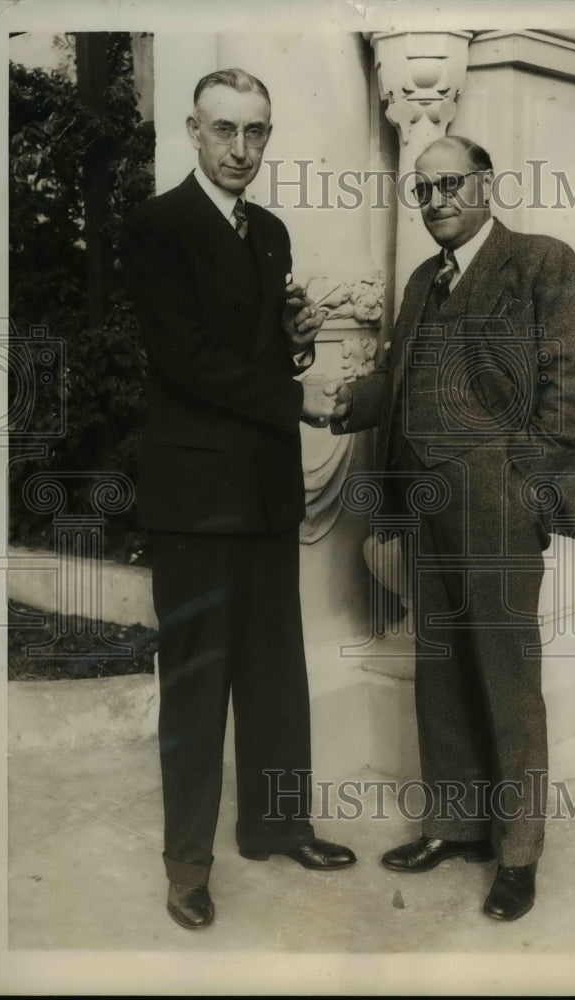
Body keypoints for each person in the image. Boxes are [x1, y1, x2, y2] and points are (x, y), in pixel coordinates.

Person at [324, 135, 575, 921]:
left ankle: (516, 854)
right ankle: (455, 826)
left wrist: (514, 477)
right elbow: (402, 371)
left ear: (485, 184)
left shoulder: (540, 262)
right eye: (423, 190)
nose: (436, 200)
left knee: (506, 676)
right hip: (424, 501)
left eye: (450, 184)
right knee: (442, 663)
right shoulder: (423, 279)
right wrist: (360, 397)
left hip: (496, 504)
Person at [120, 67, 354, 931]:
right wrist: (297, 393)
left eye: (257, 132)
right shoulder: (156, 227)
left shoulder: (270, 231)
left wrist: (292, 349)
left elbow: (252, 361)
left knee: (273, 672)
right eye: (226, 130)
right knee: (194, 684)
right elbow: (186, 362)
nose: (241, 150)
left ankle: (277, 824)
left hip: (262, 486)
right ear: (193, 130)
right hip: (193, 496)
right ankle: (186, 867)